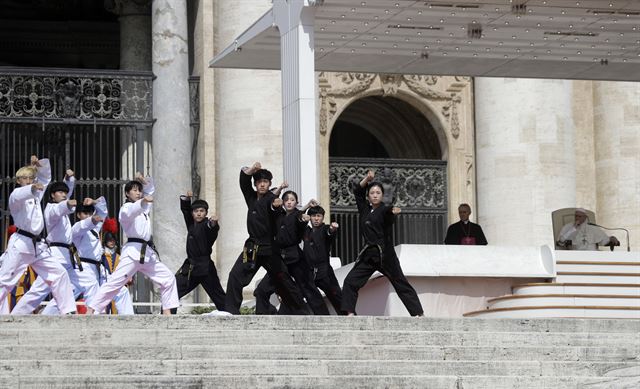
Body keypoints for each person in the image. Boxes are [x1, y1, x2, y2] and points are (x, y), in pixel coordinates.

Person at [86, 174, 179, 315]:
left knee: (168, 278)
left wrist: (144, 182)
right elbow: (134, 209)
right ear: (127, 193)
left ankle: (167, 313)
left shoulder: (144, 210)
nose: (138, 193)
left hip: (147, 253)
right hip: (132, 253)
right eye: (134, 190)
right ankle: (91, 309)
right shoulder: (126, 209)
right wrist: (142, 202)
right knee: (115, 283)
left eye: (139, 190)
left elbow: (150, 190)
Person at [223, 162, 305, 315]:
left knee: (284, 281)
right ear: (255, 184)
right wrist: (251, 170)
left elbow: (275, 209)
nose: (262, 185)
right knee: (235, 276)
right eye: (259, 182)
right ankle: (231, 312)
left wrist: (276, 205)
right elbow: (243, 182)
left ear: (270, 184)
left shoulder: (271, 199)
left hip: (269, 249)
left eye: (265, 182)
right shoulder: (251, 198)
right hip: (252, 248)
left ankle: (303, 312)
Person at [341, 170, 424, 317]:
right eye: (372, 192)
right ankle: (350, 312)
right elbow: (358, 190)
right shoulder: (364, 209)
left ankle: (418, 313)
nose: (374, 195)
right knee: (350, 281)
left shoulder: (384, 209)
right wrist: (368, 178)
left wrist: (393, 212)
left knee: (400, 283)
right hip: (369, 255)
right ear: (369, 196)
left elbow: (388, 214)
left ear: (382, 195)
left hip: (385, 255)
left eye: (378, 193)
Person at [0, 156, 75, 315]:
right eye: (26, 178)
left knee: (58, 273)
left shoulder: (36, 196)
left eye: (31, 178)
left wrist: (40, 165)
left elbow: (45, 177)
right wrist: (33, 188)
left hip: (38, 246)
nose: (29, 180)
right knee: (5, 281)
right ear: (19, 180)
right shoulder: (16, 196)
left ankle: (68, 311)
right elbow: (21, 194)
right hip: (21, 243)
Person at [11, 170, 85, 315]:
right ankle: (17, 314)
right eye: (60, 193)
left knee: (77, 285)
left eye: (65, 193)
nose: (64, 195)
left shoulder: (61, 205)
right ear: (52, 195)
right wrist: (68, 205)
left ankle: (61, 311)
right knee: (39, 290)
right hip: (56, 254)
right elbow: (60, 208)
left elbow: (66, 196)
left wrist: (69, 179)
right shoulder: (51, 209)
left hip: (68, 256)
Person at [254, 191, 328, 315]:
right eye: (287, 200)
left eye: (292, 200)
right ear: (282, 202)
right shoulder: (278, 216)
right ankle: (265, 314)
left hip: (295, 257)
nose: (289, 202)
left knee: (308, 288)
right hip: (278, 259)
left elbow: (298, 219)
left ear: (296, 203)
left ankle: (324, 317)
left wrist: (305, 211)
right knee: (261, 290)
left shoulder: (299, 217)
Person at [173, 191, 226, 313]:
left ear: (206, 213)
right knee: (173, 290)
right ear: (193, 213)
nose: (198, 213)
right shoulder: (191, 225)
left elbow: (211, 228)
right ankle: (167, 316)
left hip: (205, 268)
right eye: (196, 211)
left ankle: (232, 317)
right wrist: (187, 198)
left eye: (201, 211)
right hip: (190, 267)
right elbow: (186, 210)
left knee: (219, 297)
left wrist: (213, 222)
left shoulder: (206, 225)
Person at [303, 205, 345, 315]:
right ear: (309, 217)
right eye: (313, 216)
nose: (316, 219)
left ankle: (349, 317)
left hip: (324, 271)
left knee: (336, 296)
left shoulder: (324, 229)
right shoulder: (306, 231)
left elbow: (329, 233)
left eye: (319, 216)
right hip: (309, 272)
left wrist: (332, 229)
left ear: (323, 218)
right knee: (306, 295)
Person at [100, 223, 134, 315]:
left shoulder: (120, 257)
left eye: (113, 240)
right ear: (105, 241)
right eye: (109, 240)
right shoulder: (101, 257)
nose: (111, 242)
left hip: (117, 285)